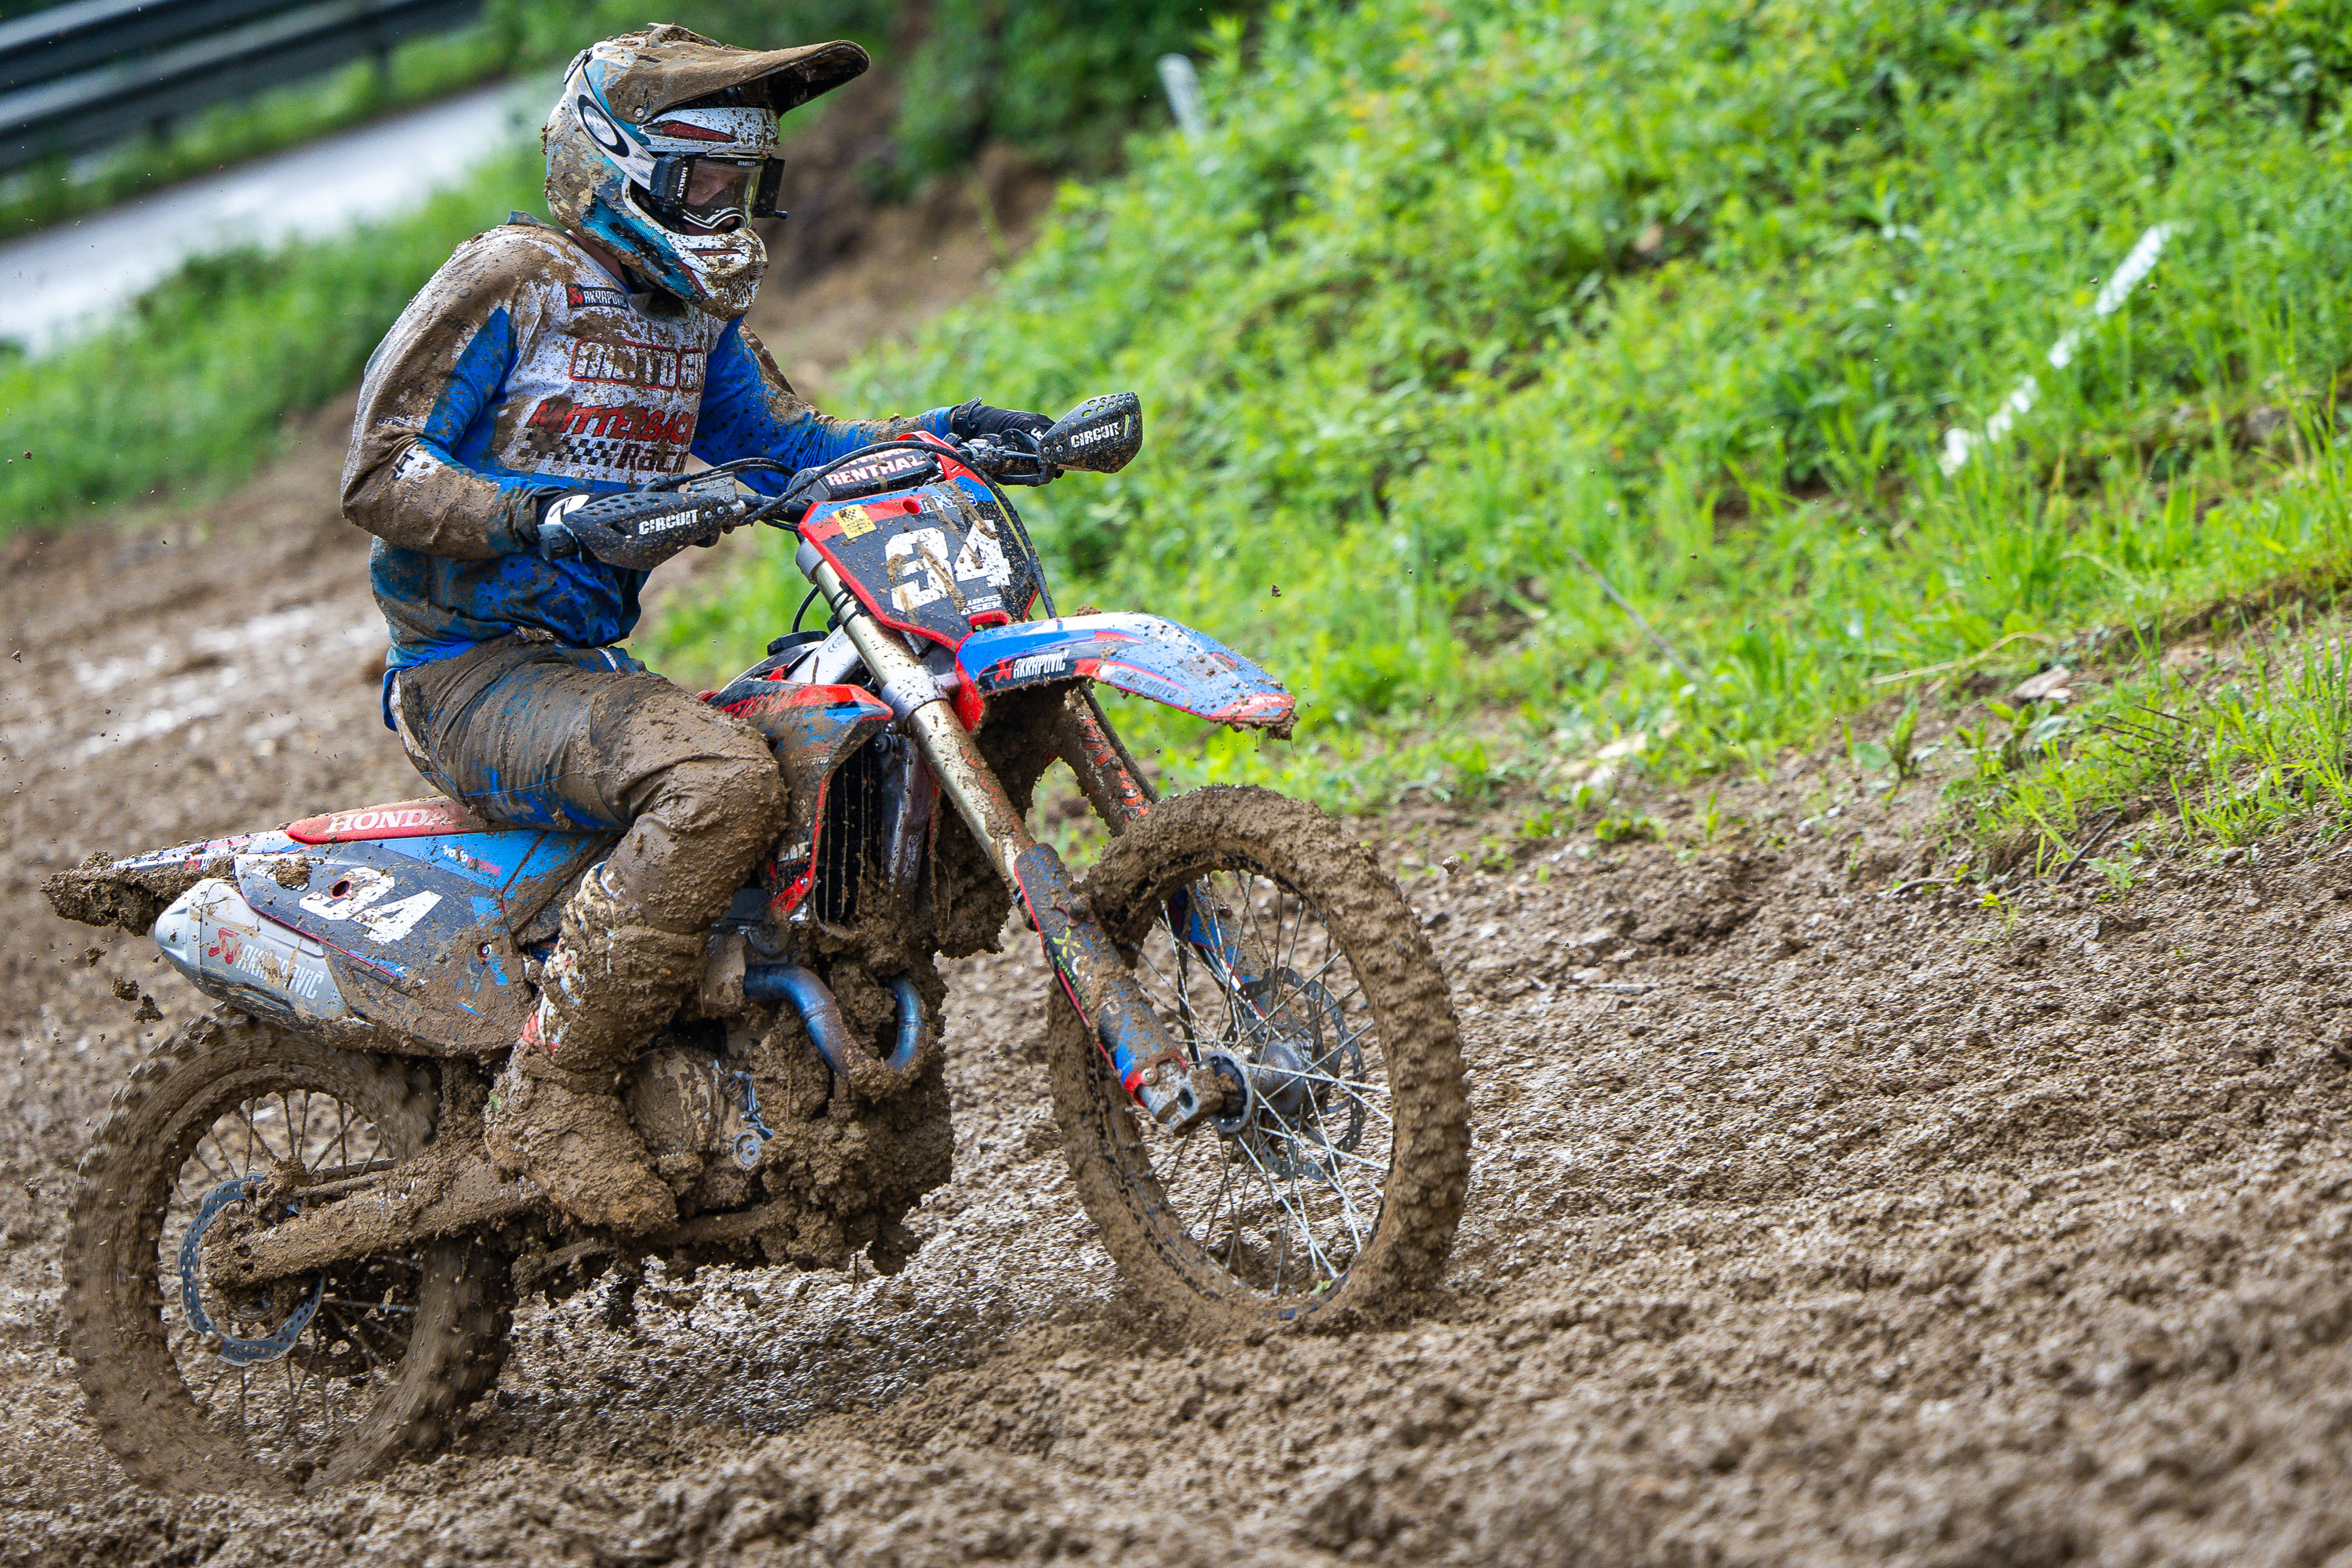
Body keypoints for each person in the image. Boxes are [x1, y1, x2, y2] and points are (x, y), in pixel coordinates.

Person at [341, 25, 1048, 1232]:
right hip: (469, 673)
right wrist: (536, 514)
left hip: (586, 670)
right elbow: (378, 470)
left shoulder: (690, 323)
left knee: (835, 737)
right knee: (718, 782)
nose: (727, 209)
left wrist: (948, 440)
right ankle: (554, 1089)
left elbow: (793, 453)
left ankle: (776, 1055)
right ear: (616, 163)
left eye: (744, 183)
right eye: (703, 180)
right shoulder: (518, 280)